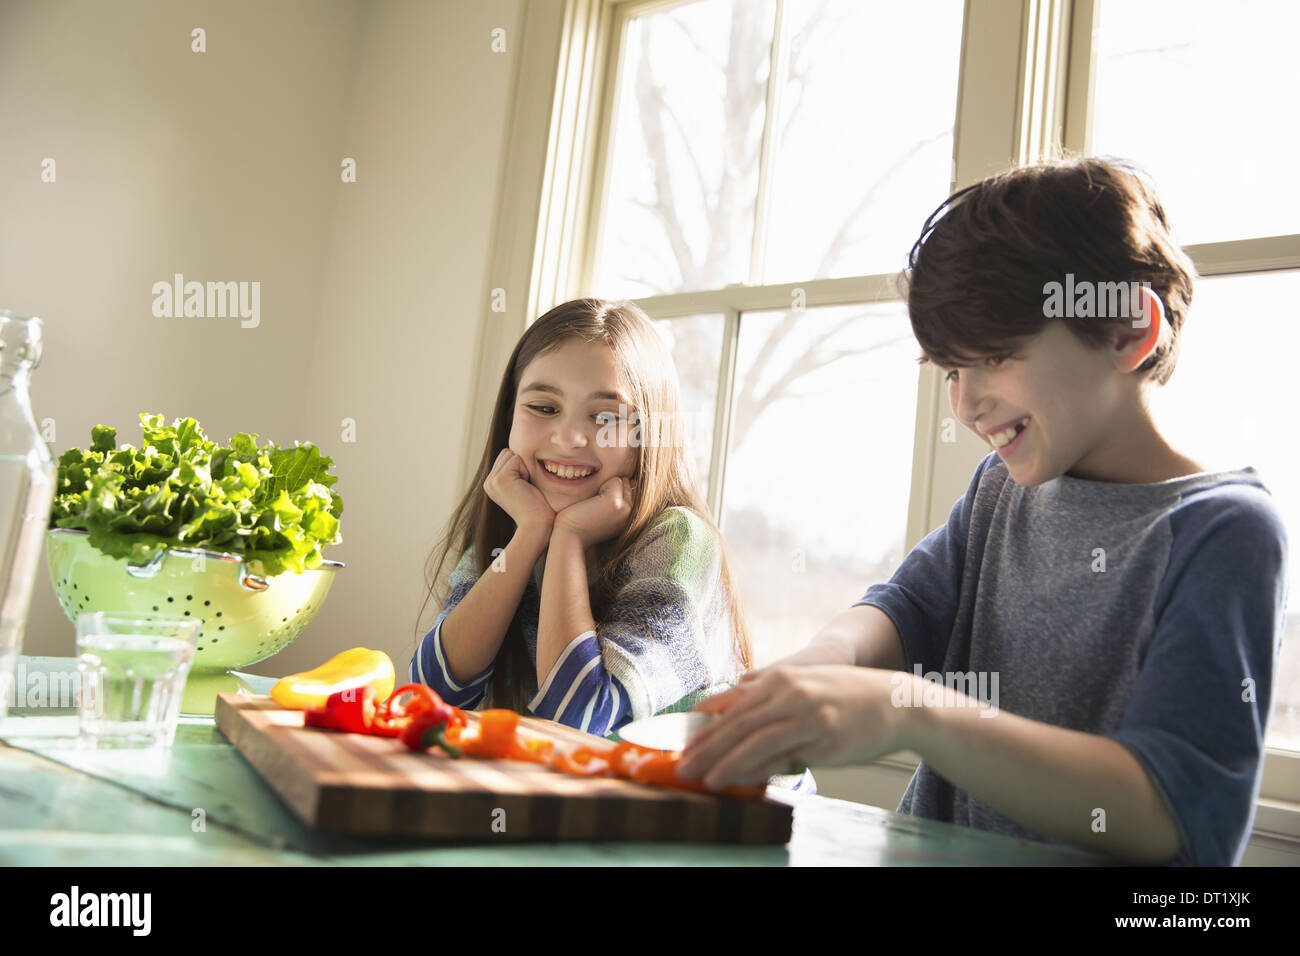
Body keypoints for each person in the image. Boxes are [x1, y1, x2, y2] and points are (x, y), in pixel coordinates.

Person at [676, 156, 1290, 866]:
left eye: (995, 357)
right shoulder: (1002, 490)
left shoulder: (1227, 533)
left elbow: (1168, 814)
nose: (966, 403)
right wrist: (824, 664)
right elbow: (904, 610)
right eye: (950, 371)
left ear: (1128, 330)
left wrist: (914, 711)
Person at [409, 297, 752, 738]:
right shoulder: (517, 530)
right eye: (544, 408)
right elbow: (431, 695)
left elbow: (580, 717)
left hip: (722, 801)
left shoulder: (680, 540)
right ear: (510, 417)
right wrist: (533, 532)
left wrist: (568, 538)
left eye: (606, 417)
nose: (570, 437)